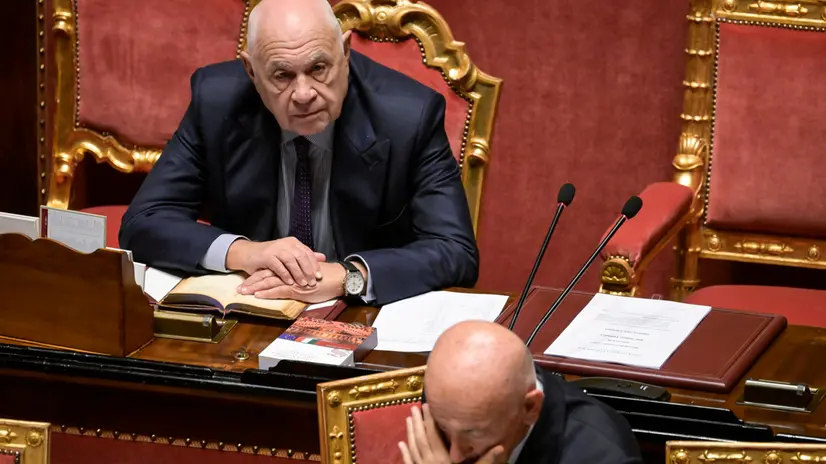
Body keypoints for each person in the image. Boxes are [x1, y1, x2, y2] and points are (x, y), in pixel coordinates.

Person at [119, 0, 478, 306]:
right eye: (282, 75)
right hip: (254, 306)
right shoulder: (217, 101)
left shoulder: (407, 116)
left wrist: (347, 276)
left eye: (318, 68)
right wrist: (245, 252)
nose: (304, 93)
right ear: (251, 71)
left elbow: (455, 251)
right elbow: (145, 220)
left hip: (359, 315)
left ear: (346, 52)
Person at [400, 321, 643, 464]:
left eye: (474, 433)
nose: (454, 457)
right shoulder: (449, 407)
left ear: (530, 408)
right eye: (444, 429)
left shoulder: (600, 456)